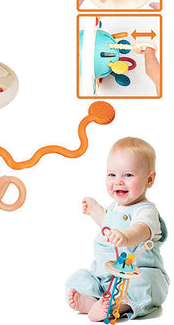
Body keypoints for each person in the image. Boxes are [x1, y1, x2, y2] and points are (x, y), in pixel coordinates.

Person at [66, 137, 169, 321]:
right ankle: (93, 301)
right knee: (78, 278)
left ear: (149, 179)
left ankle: (118, 305)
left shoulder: (146, 211)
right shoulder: (114, 208)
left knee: (147, 284)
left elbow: (141, 229)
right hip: (105, 276)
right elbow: (108, 227)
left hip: (136, 276)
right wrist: (95, 210)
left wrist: (126, 236)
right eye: (112, 175)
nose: (118, 181)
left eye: (128, 175)